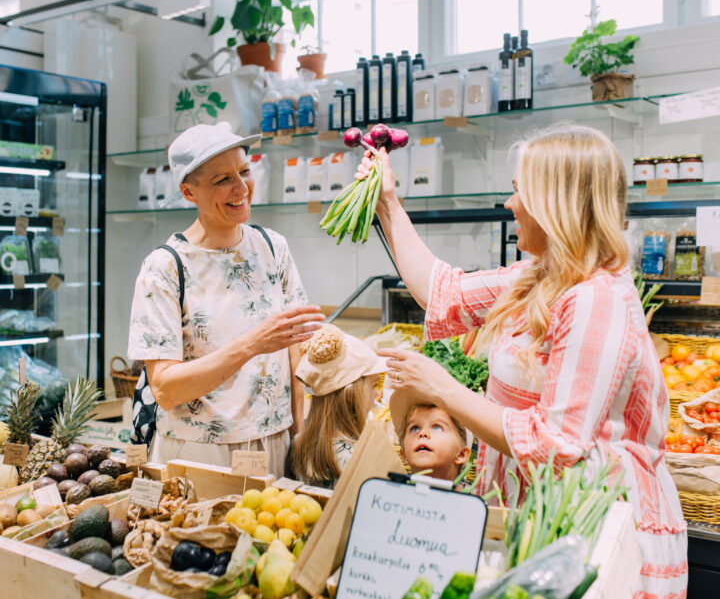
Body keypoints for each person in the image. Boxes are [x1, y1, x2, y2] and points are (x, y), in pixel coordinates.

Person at [358, 124, 687, 599]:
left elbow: (557, 444)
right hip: (538, 517)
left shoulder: (596, 299)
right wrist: (388, 202)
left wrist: (445, 389)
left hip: (592, 531)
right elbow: (443, 294)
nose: (509, 204)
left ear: (553, 203)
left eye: (518, 190)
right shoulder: (543, 275)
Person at [127, 122, 325, 476]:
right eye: (222, 180)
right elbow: (166, 390)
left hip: (274, 442)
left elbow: (296, 351)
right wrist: (252, 343)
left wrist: (300, 433)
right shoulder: (165, 268)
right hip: (197, 454)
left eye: (245, 171)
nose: (241, 187)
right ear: (189, 192)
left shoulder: (272, 247)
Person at [289, 324, 386, 487]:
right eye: (373, 385)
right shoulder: (360, 459)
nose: (376, 394)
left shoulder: (298, 444)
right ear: (351, 395)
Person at [390, 391, 470, 481]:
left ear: (461, 455)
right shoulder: (393, 493)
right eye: (414, 428)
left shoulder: (476, 494)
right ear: (403, 455)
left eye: (437, 427)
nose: (423, 433)